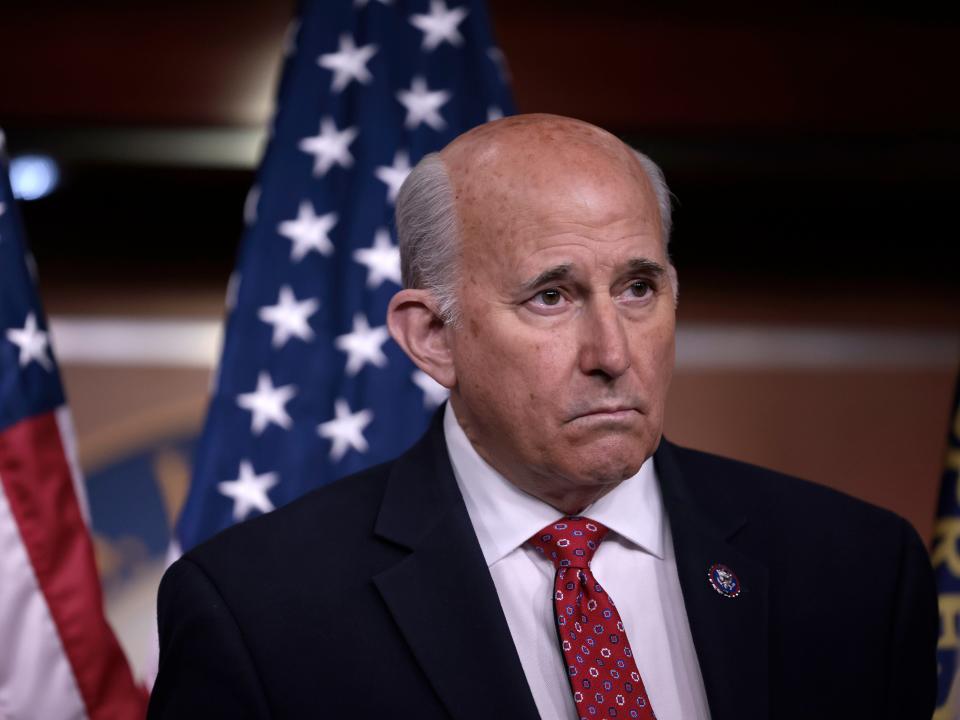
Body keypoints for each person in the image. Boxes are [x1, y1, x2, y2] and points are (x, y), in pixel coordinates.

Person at [148, 114, 938, 719]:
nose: (612, 352)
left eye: (638, 289)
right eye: (551, 297)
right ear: (432, 338)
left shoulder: (860, 572)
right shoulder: (259, 613)